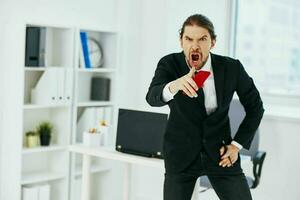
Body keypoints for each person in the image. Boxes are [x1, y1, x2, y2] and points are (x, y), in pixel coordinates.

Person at [146, 14, 264, 200]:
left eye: (202, 39)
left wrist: (236, 146)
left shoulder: (232, 68)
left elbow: (256, 107)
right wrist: (175, 85)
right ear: (181, 41)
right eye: (189, 39)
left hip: (221, 154)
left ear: (213, 42)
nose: (195, 45)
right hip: (181, 155)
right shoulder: (169, 64)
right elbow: (152, 98)